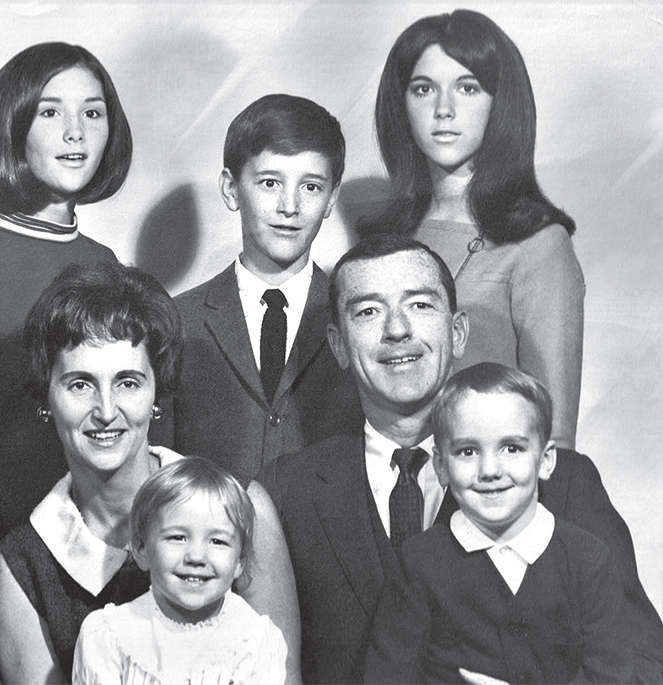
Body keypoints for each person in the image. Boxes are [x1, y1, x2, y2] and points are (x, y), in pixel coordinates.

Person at [259, 234, 663, 683]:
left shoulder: (564, 484)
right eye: (368, 311)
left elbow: (645, 664)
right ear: (337, 345)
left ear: (457, 333)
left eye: (420, 305)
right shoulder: (285, 492)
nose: (397, 329)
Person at [0, 262, 301, 684]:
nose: (105, 411)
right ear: (47, 396)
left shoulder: (242, 508)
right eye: (80, 384)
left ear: (157, 391)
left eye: (128, 383)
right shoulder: (23, 565)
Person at [0, 42, 131, 548]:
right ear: (13, 128)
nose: (75, 131)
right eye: (50, 111)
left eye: (92, 112)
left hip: (105, 545)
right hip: (3, 546)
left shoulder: (107, 263)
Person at [368, 9, 583, 448]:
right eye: (423, 89)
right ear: (401, 103)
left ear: (500, 103)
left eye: (467, 88)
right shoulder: (382, 238)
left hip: (485, 497)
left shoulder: (539, 246)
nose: (443, 110)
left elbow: (554, 436)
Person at [365, 363, 633, 683]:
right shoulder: (419, 563)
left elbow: (612, 676)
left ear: (545, 460)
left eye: (512, 448)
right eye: (467, 451)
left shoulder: (588, 561)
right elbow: (387, 677)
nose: (489, 469)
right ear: (441, 466)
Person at [158, 94, 362, 478]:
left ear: (332, 198)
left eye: (311, 187)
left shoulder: (355, 317)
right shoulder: (177, 321)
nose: (290, 206)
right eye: (270, 182)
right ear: (232, 189)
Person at [73, 457, 287, 684]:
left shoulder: (255, 641)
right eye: (178, 537)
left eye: (217, 541)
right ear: (141, 548)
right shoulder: (110, 637)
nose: (196, 556)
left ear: (239, 561)